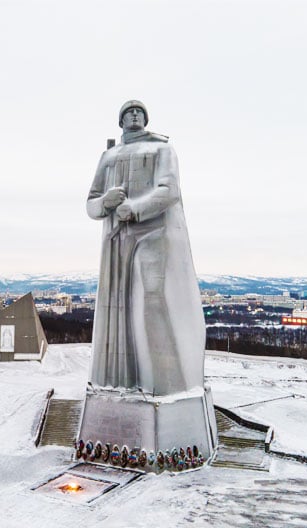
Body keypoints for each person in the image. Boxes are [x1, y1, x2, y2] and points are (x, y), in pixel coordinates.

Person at [86, 100, 206, 396]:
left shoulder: (161, 149)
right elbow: (91, 203)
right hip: (115, 241)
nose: (135, 114)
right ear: (121, 121)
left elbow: (169, 191)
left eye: (139, 111)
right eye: (128, 112)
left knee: (153, 300)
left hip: (152, 232)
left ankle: (169, 385)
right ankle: (119, 380)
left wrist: (136, 209)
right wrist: (106, 202)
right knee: (115, 307)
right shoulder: (109, 155)